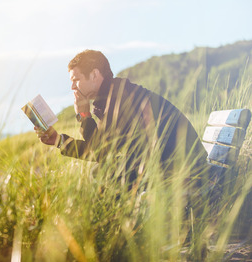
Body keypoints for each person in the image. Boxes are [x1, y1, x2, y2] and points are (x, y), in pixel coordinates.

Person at [35, 49, 209, 190]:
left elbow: (100, 152)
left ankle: (132, 228)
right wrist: (58, 140)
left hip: (185, 171)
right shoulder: (113, 95)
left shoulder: (119, 99)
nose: (72, 87)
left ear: (94, 75)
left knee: (102, 172)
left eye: (76, 79)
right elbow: (101, 148)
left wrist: (84, 116)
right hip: (173, 164)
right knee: (105, 171)